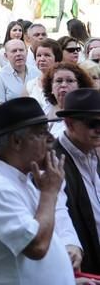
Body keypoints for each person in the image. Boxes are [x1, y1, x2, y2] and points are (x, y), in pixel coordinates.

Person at [0, 97, 82, 285]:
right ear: (17, 141)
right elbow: (36, 246)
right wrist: (49, 193)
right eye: (42, 133)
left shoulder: (18, 178)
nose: (51, 139)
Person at [53, 88, 100, 274]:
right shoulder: (53, 160)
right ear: (69, 124)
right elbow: (56, 208)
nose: (99, 129)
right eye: (93, 123)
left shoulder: (93, 151)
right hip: (82, 267)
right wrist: (69, 243)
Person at [42, 62, 95, 138]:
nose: (63, 85)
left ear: (80, 86)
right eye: (59, 81)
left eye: (70, 81)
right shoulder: (45, 110)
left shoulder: (86, 114)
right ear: (51, 88)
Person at [0, 39, 40, 104]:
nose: (18, 54)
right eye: (14, 51)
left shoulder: (37, 72)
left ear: (27, 52)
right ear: (6, 56)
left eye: (21, 50)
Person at [25, 38, 62, 113]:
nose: (42, 59)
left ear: (57, 59)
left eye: (47, 55)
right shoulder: (30, 85)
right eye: (38, 55)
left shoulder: (64, 82)